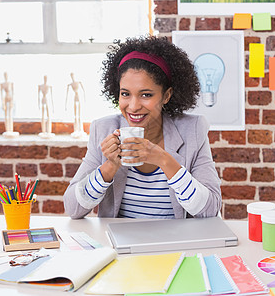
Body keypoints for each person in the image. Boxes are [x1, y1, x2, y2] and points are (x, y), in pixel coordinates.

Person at [64, 36, 221, 219]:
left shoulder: (192, 129)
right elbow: (73, 209)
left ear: (166, 95)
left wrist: (164, 160)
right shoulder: (103, 129)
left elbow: (210, 210)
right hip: (121, 245)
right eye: (125, 94)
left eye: (146, 95)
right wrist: (109, 167)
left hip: (174, 244)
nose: (133, 106)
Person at [65, 72, 86, 138]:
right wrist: (66, 105)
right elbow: (67, 95)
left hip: (79, 98)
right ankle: (76, 130)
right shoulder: (70, 84)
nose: (72, 77)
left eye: (73, 75)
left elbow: (83, 91)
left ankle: (81, 130)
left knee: (80, 115)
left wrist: (85, 100)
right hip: (75, 98)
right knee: (75, 115)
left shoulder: (79, 82)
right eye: (71, 76)